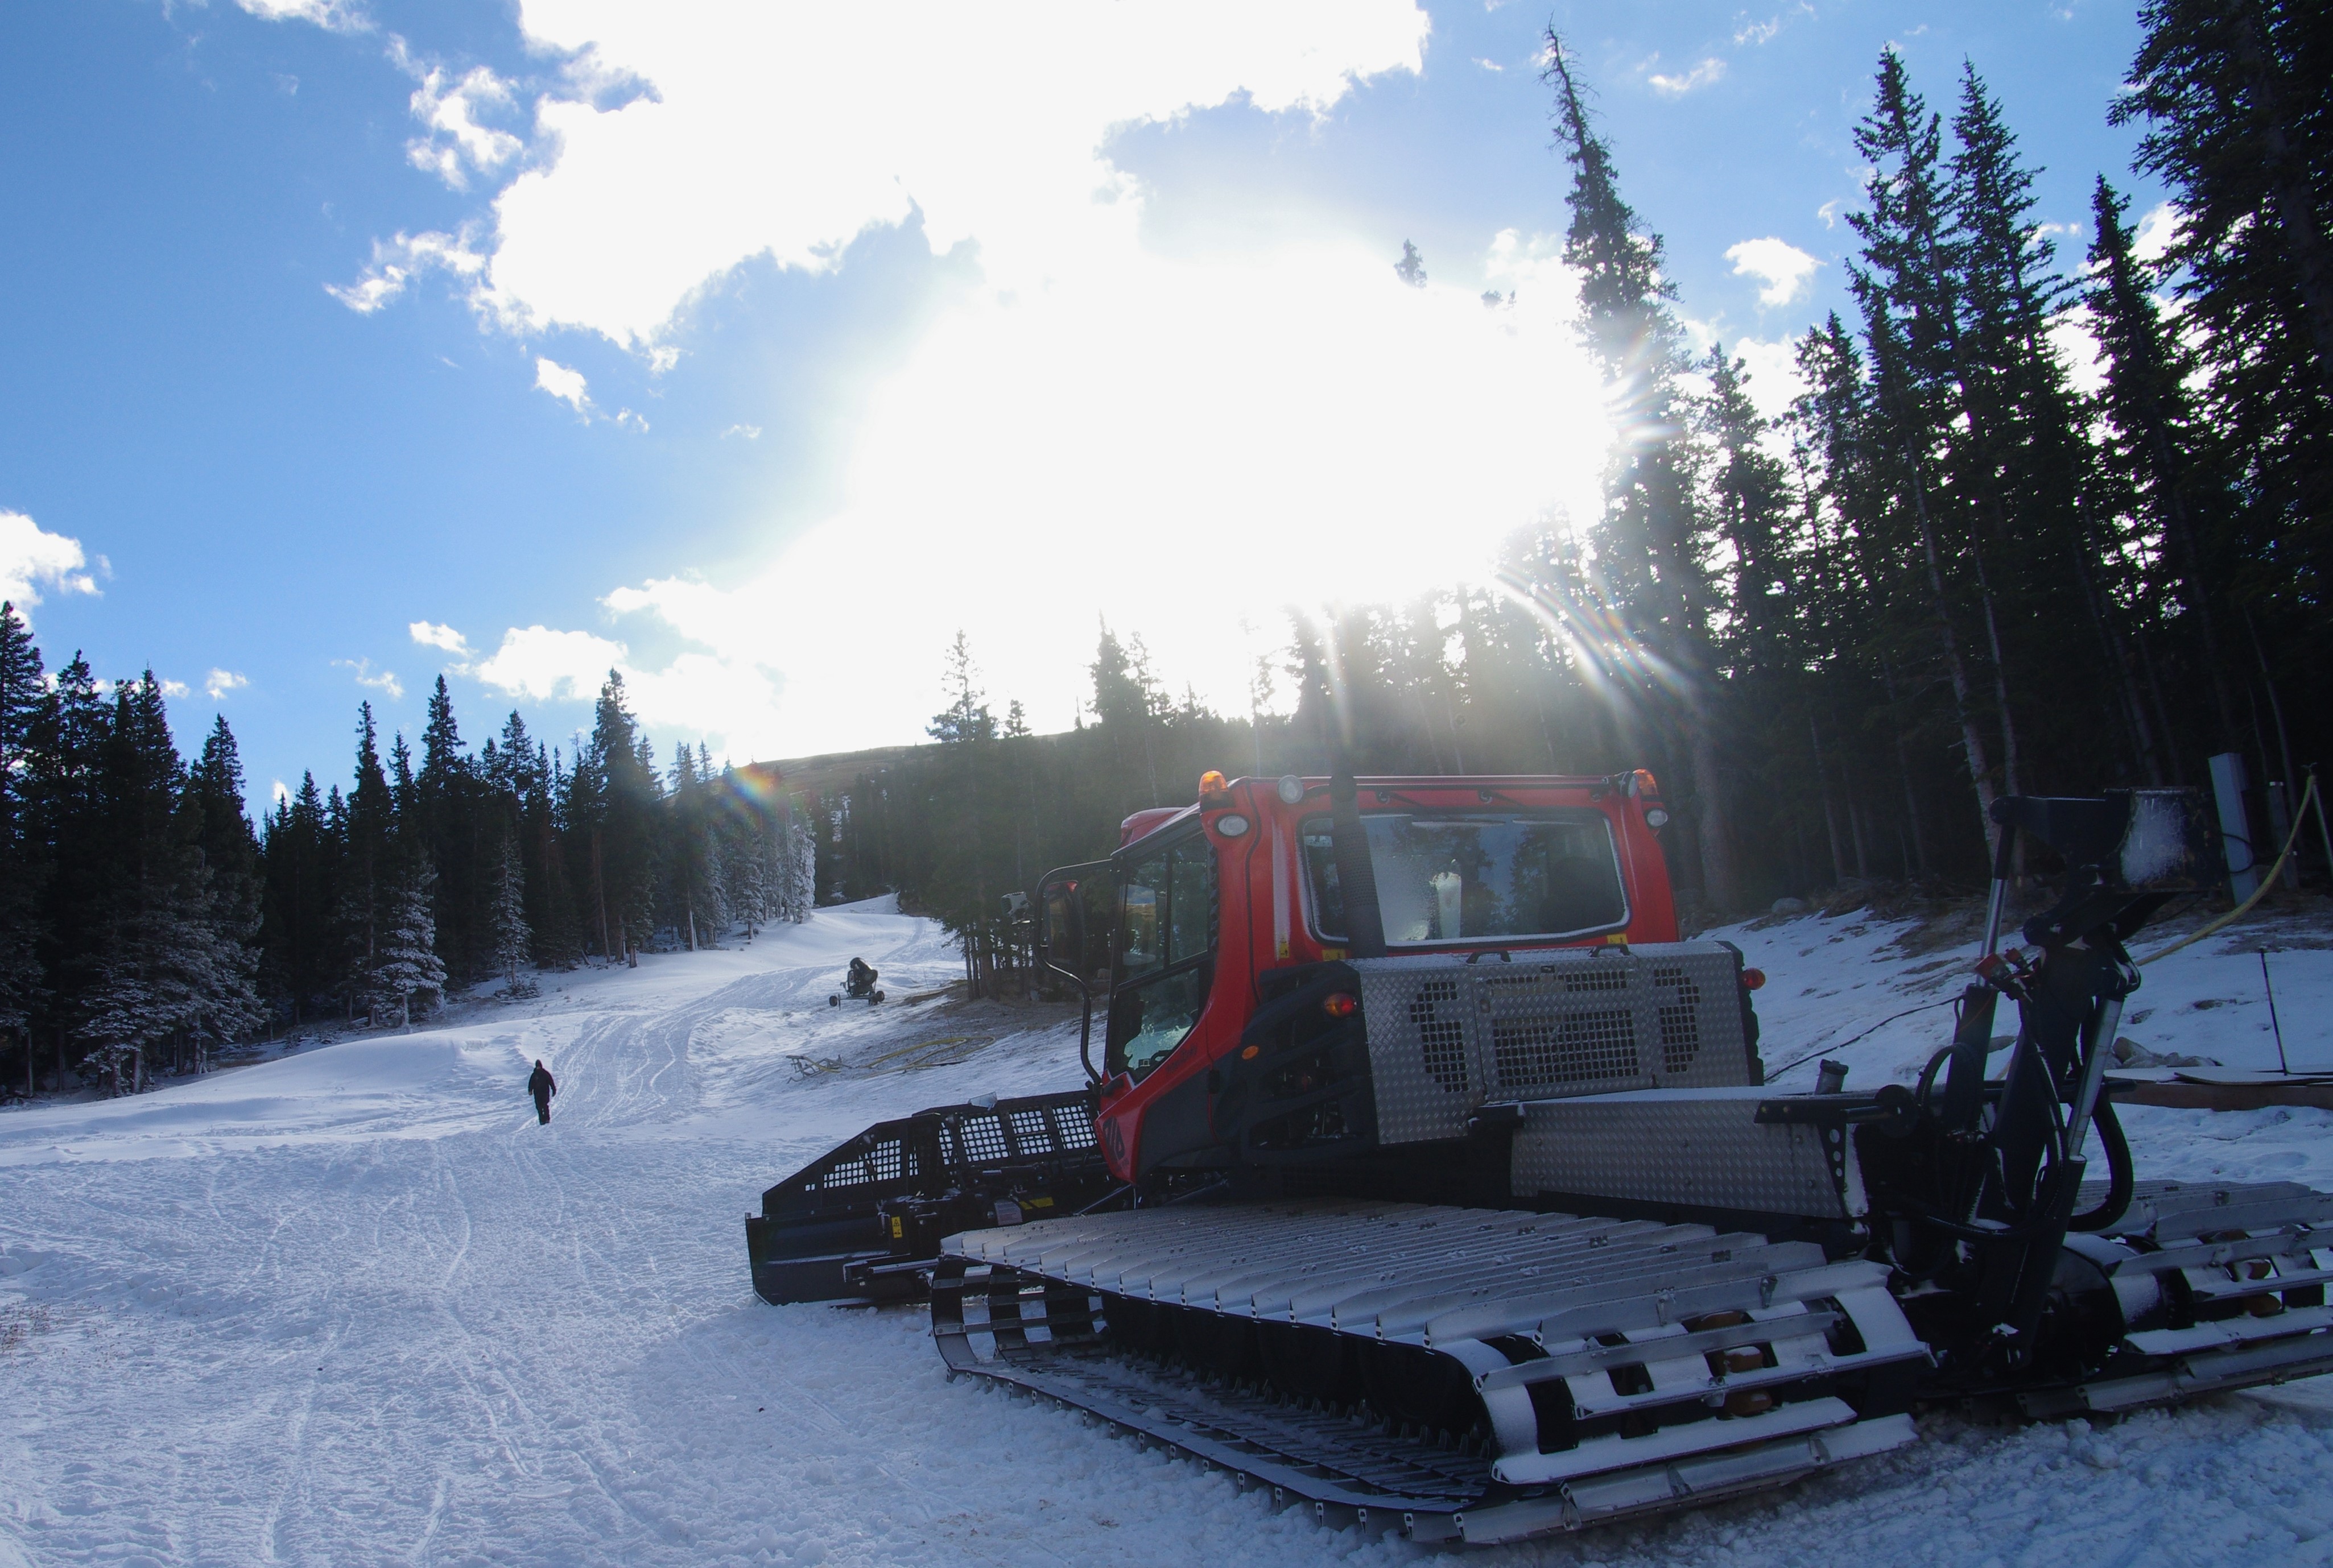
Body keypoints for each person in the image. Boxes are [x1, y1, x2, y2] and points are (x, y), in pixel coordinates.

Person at [527, 1059, 557, 1126]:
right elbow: (531, 1084)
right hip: (537, 1094)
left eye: (539, 1066)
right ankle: (542, 1120)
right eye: (537, 1066)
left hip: (545, 1092)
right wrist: (530, 1090)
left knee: (545, 1106)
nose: (538, 1068)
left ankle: (547, 1119)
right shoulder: (534, 1075)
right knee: (539, 1107)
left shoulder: (545, 1074)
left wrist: (554, 1090)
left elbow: (551, 1082)